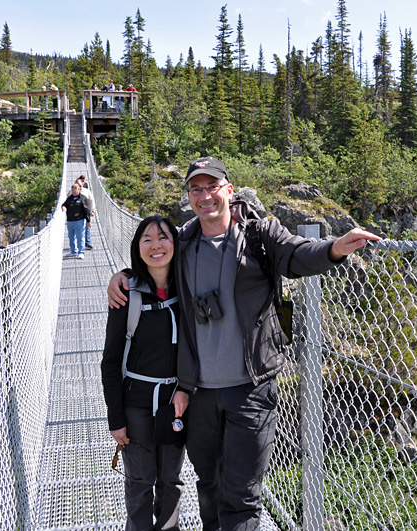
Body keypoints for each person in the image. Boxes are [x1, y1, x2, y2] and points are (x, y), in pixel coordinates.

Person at [108, 156, 381, 530]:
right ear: (189, 197)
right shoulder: (184, 240)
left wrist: (335, 248)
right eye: (196, 189)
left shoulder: (259, 234)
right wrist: (121, 275)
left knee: (241, 496)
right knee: (209, 487)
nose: (205, 196)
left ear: (229, 190)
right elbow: (153, 260)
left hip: (250, 390)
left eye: (212, 187)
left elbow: (298, 254)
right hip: (197, 393)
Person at [102, 215, 188, 531]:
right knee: (140, 482)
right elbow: (110, 361)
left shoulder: (188, 289)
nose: (156, 245)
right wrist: (116, 419)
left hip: (175, 405)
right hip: (136, 405)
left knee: (170, 481)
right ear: (137, 249)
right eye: (146, 239)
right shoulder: (126, 295)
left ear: (176, 244)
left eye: (163, 237)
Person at [61, 182, 92, 258]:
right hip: (70, 221)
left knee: (80, 237)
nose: (74, 192)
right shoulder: (69, 198)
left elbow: (87, 210)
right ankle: (73, 251)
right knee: (71, 237)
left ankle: (81, 252)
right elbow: (64, 204)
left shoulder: (83, 198)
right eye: (72, 190)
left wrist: (88, 221)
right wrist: (63, 207)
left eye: (75, 190)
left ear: (79, 190)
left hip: (79, 221)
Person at [75, 175, 96, 250]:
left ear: (83, 184)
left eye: (80, 185)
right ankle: (79, 244)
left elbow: (92, 201)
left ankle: (87, 243)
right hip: (77, 213)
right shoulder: (73, 191)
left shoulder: (87, 191)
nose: (79, 186)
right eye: (77, 184)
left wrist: (92, 210)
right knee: (78, 228)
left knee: (87, 227)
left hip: (86, 212)